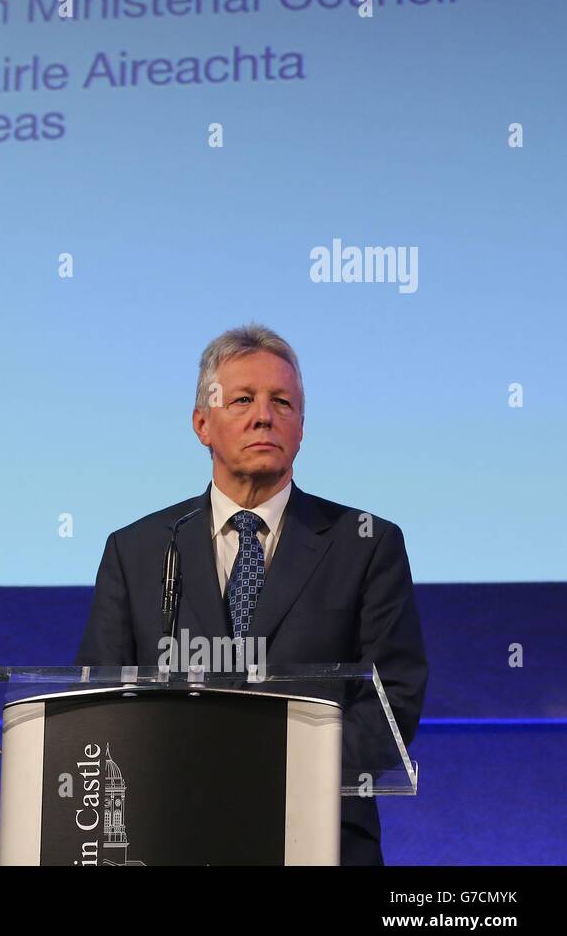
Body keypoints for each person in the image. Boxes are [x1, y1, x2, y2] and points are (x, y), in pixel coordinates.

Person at [77, 323, 427, 865]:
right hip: (172, 839)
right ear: (202, 424)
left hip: (321, 842)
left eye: (282, 402)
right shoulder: (137, 549)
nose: (264, 415)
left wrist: (272, 776)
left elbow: (391, 702)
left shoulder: (367, 544)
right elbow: (98, 705)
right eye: (242, 399)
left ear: (302, 427)